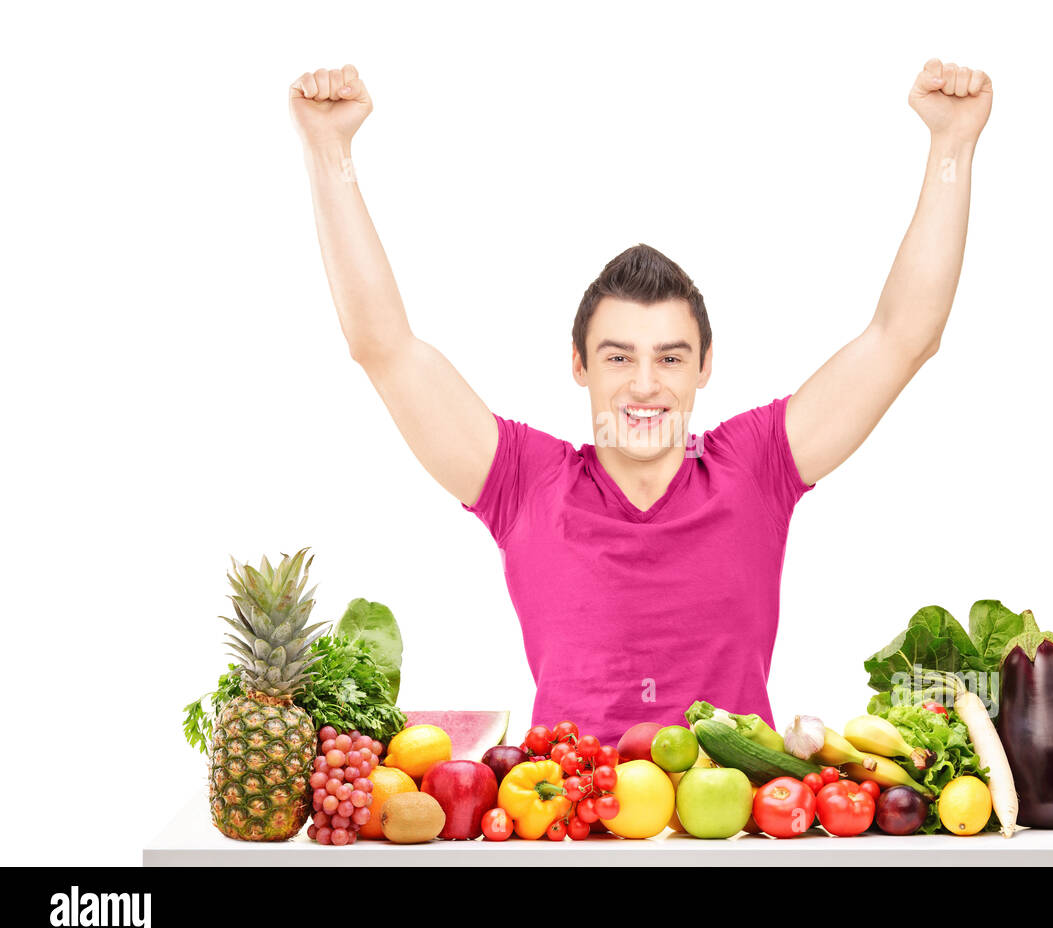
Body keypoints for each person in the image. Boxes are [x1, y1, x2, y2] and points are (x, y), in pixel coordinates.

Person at [289, 59, 993, 747]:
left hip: (741, 829)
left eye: (671, 357)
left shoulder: (755, 467)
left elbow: (904, 337)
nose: (646, 384)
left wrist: (951, 146)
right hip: (563, 824)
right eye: (619, 357)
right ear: (579, 366)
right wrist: (330, 152)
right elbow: (384, 346)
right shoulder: (525, 483)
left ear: (705, 368)